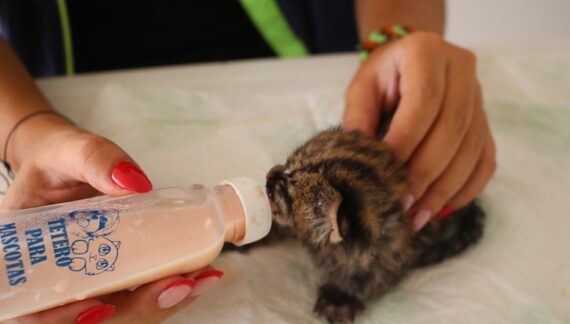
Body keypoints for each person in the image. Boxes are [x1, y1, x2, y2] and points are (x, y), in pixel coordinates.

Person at [0, 0, 495, 322]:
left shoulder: (355, 233)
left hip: (304, 59)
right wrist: (27, 129)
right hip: (58, 86)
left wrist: (399, 33)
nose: (274, 175)